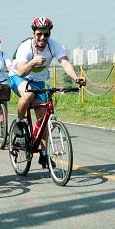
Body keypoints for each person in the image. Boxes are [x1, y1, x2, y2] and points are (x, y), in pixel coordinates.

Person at [9, 17, 86, 168]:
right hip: (18, 77)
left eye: (46, 34)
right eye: (39, 34)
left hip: (38, 82)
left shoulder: (54, 45)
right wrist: (32, 62)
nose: (43, 38)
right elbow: (21, 72)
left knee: (44, 118)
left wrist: (76, 78)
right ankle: (19, 123)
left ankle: (44, 153)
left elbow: (64, 62)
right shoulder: (25, 47)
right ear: (33, 33)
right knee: (29, 94)